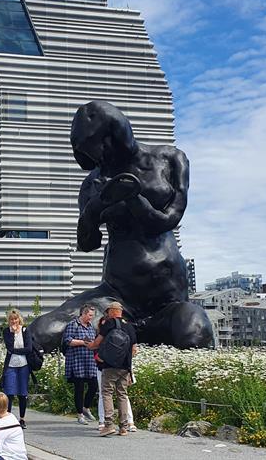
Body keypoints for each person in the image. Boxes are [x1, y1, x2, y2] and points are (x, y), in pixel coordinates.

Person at [29, 101, 213, 352]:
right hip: (115, 298)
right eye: (90, 154)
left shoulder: (170, 159)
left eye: (100, 149)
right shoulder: (92, 183)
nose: (98, 158)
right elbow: (87, 243)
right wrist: (94, 209)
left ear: (116, 135)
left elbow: (169, 219)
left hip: (167, 300)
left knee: (193, 332)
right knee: (41, 333)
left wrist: (133, 198)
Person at [86, 301, 137, 437]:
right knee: (122, 395)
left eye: (108, 311)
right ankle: (124, 427)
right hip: (124, 367)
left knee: (107, 393)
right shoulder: (129, 326)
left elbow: (96, 343)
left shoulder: (108, 324)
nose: (107, 314)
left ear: (112, 311)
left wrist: (89, 345)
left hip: (109, 366)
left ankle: (108, 425)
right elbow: (134, 349)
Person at [62, 304, 98, 425]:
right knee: (79, 388)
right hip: (77, 361)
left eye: (92, 316)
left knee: (94, 385)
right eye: (90, 315)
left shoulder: (91, 326)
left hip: (89, 361)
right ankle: (80, 414)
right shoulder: (73, 325)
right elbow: (68, 340)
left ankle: (86, 407)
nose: (91, 318)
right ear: (83, 313)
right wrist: (83, 342)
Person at [0, 309, 31, 429]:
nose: (14, 321)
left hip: (23, 365)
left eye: (16, 319)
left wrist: (15, 351)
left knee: (22, 393)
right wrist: (13, 333)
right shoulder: (6, 331)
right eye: (11, 319)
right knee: (9, 392)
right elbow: (10, 347)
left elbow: (28, 349)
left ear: (19, 319)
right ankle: (7, 418)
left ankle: (22, 419)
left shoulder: (25, 330)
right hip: (11, 365)